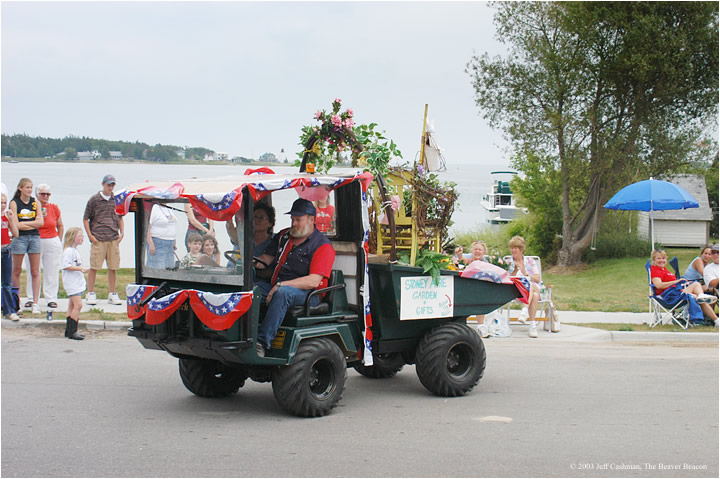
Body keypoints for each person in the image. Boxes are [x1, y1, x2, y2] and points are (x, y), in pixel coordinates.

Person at [254, 198, 335, 357]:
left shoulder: (322, 245)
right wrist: (253, 262)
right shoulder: (284, 236)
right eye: (292, 219)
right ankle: (242, 335)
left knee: (283, 293)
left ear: (312, 220)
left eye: (298, 220)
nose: (294, 223)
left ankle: (262, 343)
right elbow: (268, 258)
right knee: (249, 289)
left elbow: (313, 280)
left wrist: (281, 285)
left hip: (308, 294)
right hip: (277, 285)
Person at [83, 174, 124, 305]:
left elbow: (120, 217)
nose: (110, 187)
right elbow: (86, 218)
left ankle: (112, 293)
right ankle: (90, 292)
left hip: (113, 238)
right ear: (103, 184)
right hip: (98, 238)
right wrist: (90, 235)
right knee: (94, 267)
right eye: (108, 185)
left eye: (112, 185)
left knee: (113, 267)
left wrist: (122, 233)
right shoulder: (94, 200)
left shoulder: (116, 199)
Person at [650, 249, 717, 326]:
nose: (662, 260)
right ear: (654, 260)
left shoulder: (664, 269)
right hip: (669, 295)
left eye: (663, 258)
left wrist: (683, 282)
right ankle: (699, 318)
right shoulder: (655, 270)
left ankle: (715, 320)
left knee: (698, 297)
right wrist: (676, 281)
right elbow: (659, 285)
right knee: (696, 285)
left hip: (675, 292)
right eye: (659, 258)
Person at [24, 184, 63, 308]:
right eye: (43, 194)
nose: (45, 196)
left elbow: (60, 225)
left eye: (48, 194)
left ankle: (51, 297)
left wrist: (59, 239)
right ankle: (31, 297)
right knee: (32, 269)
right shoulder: (31, 207)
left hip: (51, 239)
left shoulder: (54, 208)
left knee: (51, 270)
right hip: (34, 239)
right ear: (37, 195)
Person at [9, 178, 43, 314]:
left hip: (34, 237)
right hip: (20, 238)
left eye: (31, 187)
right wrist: (32, 223)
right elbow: (16, 224)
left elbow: (41, 222)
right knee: (16, 270)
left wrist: (29, 224)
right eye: (27, 187)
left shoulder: (35, 202)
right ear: (20, 188)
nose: (29, 190)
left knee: (35, 271)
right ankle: (16, 301)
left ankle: (35, 302)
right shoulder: (14, 203)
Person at [506, 236, 541, 338]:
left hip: (532, 287)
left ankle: (525, 311)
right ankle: (532, 325)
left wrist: (526, 273)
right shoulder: (508, 262)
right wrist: (515, 271)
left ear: (521, 250)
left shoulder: (530, 261)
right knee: (534, 295)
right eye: (511, 248)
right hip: (516, 291)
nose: (513, 250)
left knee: (530, 284)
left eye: (515, 248)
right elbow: (506, 279)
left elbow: (538, 278)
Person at [61, 227, 88, 340]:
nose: (82, 238)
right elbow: (66, 265)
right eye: (80, 236)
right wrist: (80, 269)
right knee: (78, 305)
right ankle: (73, 331)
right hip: (72, 282)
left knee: (71, 306)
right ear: (73, 237)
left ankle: (69, 330)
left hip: (76, 281)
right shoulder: (68, 252)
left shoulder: (75, 251)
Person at [2, 192, 20, 321]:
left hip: (6, 249)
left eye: (4, 203)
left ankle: (9, 310)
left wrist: (11, 220)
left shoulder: (6, 217)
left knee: (7, 282)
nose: (2, 205)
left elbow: (16, 234)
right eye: (0, 203)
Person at [146, 203, 178, 269]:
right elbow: (147, 228)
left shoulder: (168, 208)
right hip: (158, 242)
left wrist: (174, 240)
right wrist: (151, 244)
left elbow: (172, 225)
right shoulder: (154, 208)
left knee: (169, 268)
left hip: (170, 243)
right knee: (158, 268)